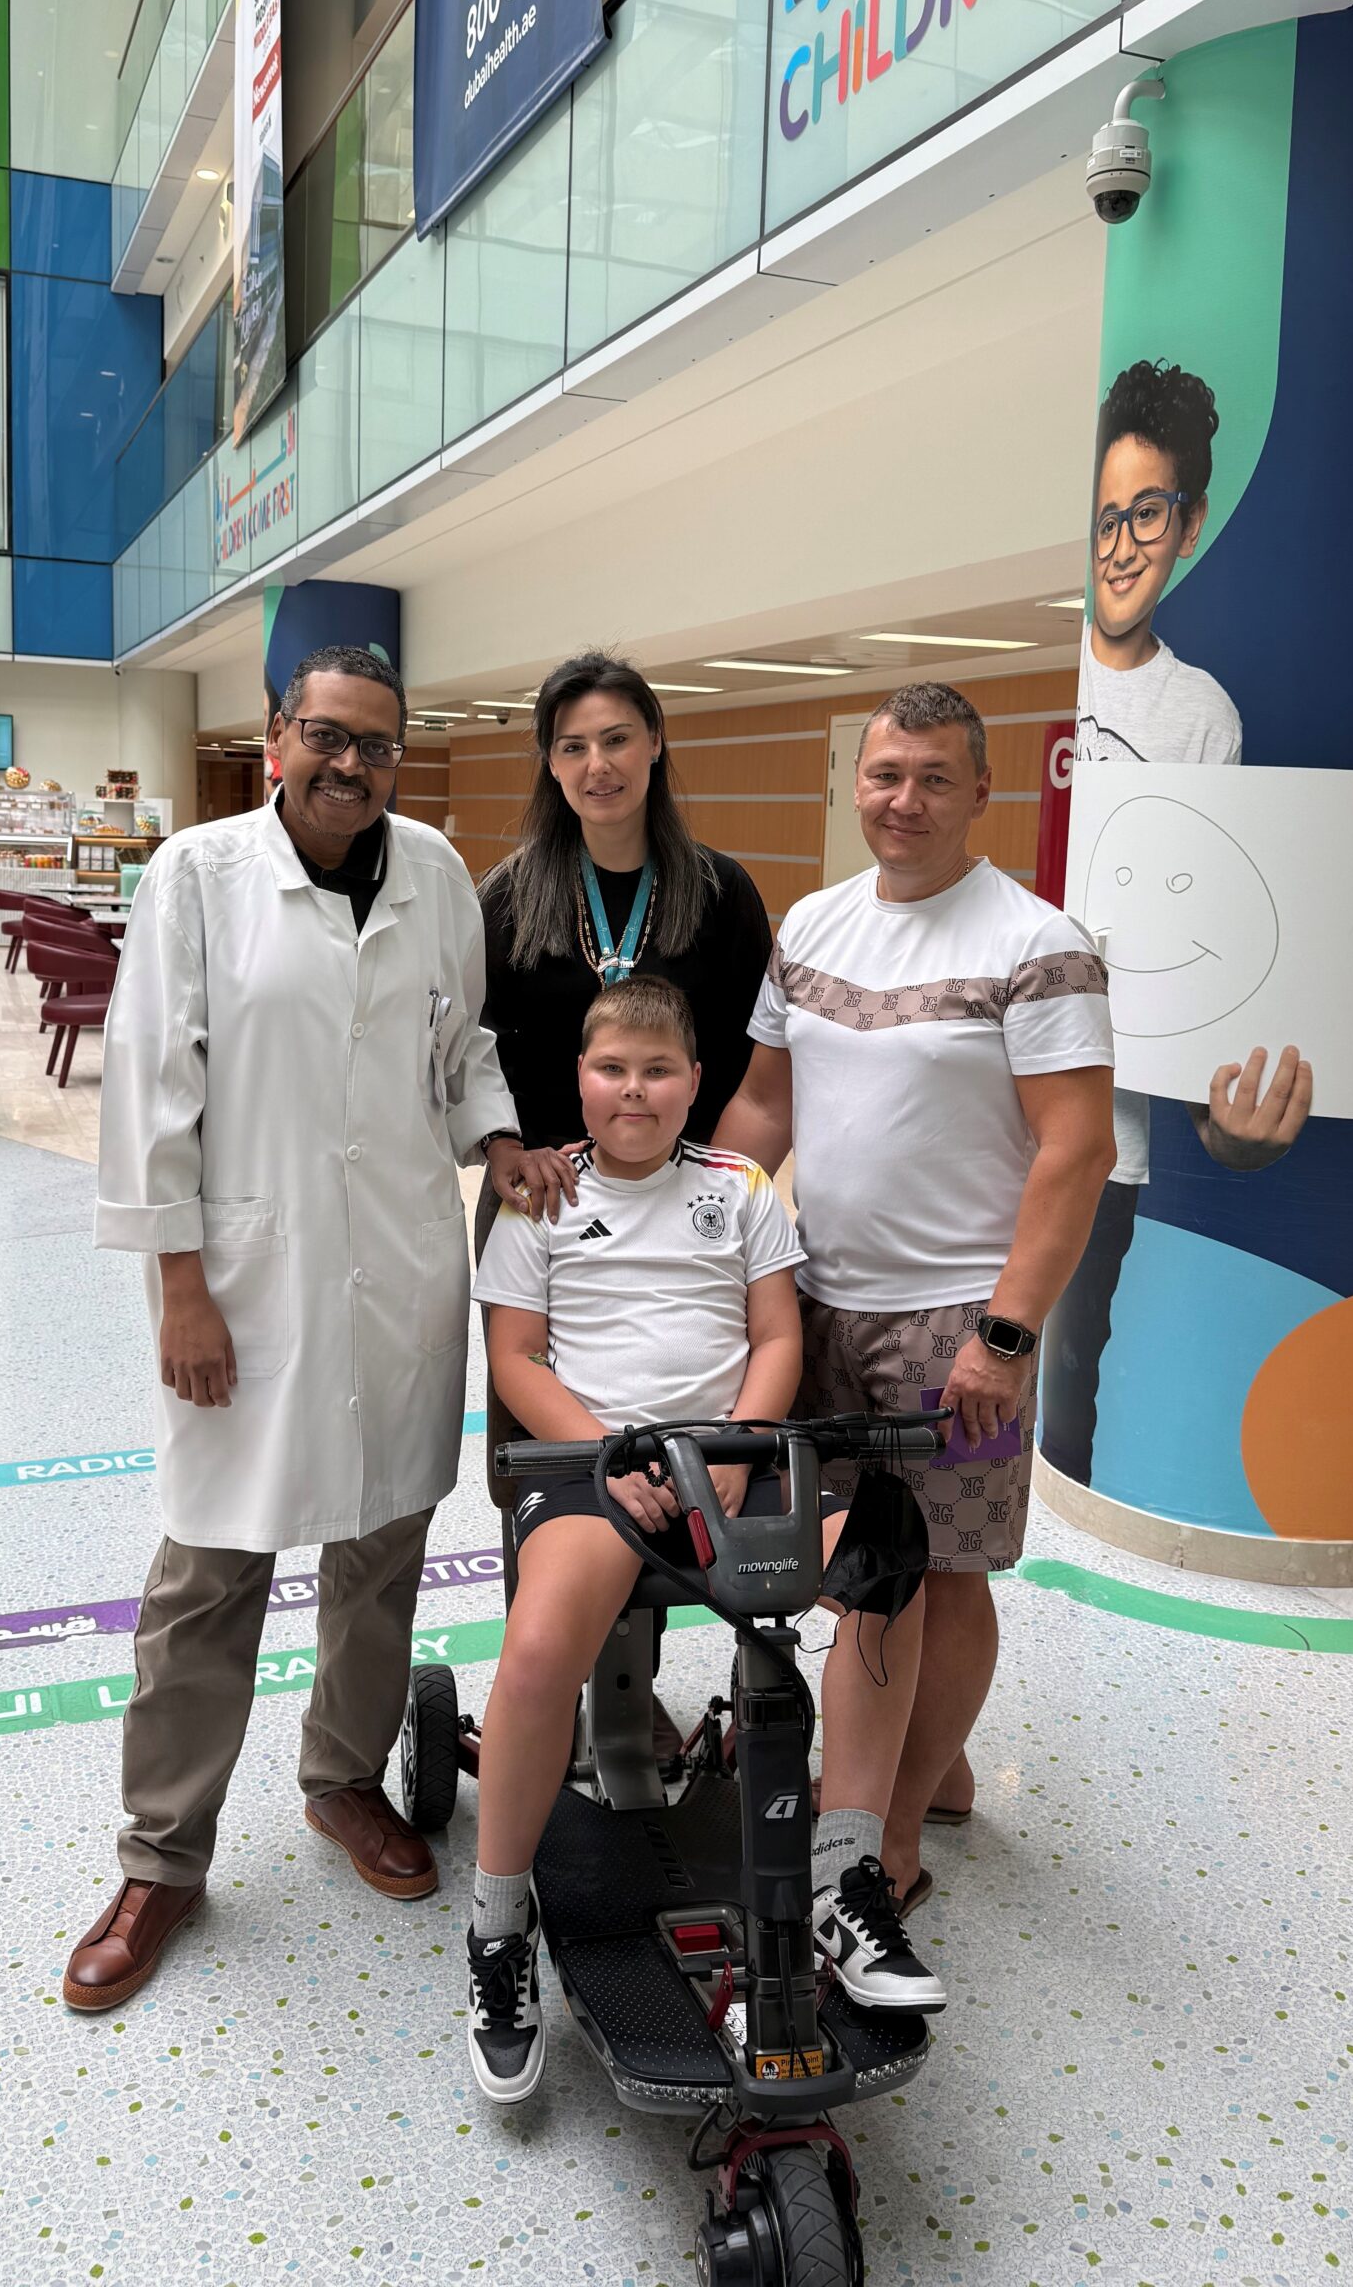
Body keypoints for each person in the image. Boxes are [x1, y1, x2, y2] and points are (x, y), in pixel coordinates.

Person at [63, 645, 560, 2014]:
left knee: (383, 1547)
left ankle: (343, 1778)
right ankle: (162, 1857)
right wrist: (179, 1284)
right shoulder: (198, 875)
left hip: (399, 1265)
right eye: (326, 735)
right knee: (208, 1570)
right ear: (279, 736)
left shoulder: (438, 874)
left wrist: (497, 1138)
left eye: (376, 743)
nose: (350, 763)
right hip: (246, 1276)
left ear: (401, 753)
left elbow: (462, 1048)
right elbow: (150, 1087)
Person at [463, 974, 946, 2103]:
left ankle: (843, 1876)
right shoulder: (539, 1194)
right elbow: (515, 1358)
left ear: (695, 1082)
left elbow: (775, 1338)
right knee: (537, 1651)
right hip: (594, 1470)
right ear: (581, 1078)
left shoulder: (740, 1187)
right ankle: (498, 1927)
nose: (634, 1090)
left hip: (732, 1458)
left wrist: (736, 1452)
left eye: (658, 1070)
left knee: (885, 1561)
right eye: (612, 1069)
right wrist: (613, 1458)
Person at [716, 683, 1116, 1906]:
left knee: (943, 1573)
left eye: (935, 777)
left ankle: (892, 1829)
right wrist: (700, 1242)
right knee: (852, 1564)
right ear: (858, 780)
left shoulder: (1036, 943)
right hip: (819, 1302)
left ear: (981, 791)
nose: (906, 799)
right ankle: (928, 1764)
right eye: (887, 773)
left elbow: (1076, 1149)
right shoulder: (812, 924)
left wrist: (1007, 1334)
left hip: (958, 1324)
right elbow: (766, 1106)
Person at [1043, 361, 1311, 1481]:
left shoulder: (1202, 716)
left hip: (1108, 1137)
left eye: (1147, 513)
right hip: (986, 1111)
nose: (1120, 545)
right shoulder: (1048, 671)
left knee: (1067, 1382)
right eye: (1107, 515)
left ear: (1189, 526)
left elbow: (1209, 931)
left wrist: (1221, 1109)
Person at [478, 651, 772, 1242]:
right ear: (551, 763)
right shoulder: (509, 894)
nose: (598, 765)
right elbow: (475, 1047)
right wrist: (506, 1145)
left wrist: (711, 1182)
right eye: (573, 747)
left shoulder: (720, 890)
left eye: (617, 739)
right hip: (544, 1191)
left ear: (655, 741)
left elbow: (753, 1061)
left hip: (686, 1195)